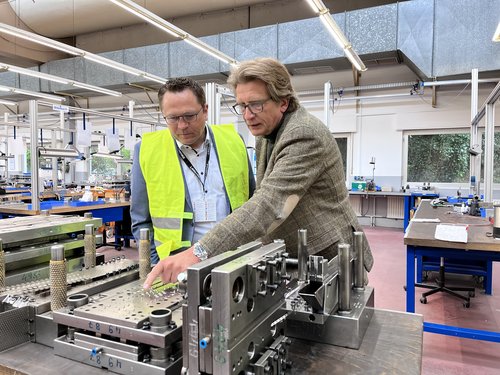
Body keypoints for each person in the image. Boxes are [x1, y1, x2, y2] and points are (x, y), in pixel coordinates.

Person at [144, 58, 373, 287]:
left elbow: (269, 204)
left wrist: (200, 251)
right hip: (296, 257)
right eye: (242, 106)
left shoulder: (303, 133)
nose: (247, 115)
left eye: (255, 104)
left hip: (329, 257)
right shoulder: (267, 132)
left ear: (283, 102)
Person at [131, 77, 255, 264]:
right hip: (177, 262)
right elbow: (141, 220)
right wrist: (157, 261)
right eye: (173, 118)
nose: (182, 125)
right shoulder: (147, 150)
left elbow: (252, 200)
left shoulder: (233, 141)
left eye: (189, 116)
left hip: (232, 256)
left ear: (205, 111)